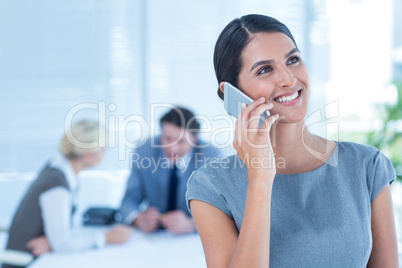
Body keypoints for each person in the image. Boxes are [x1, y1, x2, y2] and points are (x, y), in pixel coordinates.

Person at [186, 14, 399, 267]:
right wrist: (260, 178)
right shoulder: (212, 186)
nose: (288, 79)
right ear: (232, 93)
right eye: (265, 69)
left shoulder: (366, 166)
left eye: (293, 60)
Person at [3, 120, 133, 268]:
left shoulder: (57, 167)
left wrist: (52, 241)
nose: (104, 155)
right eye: (104, 150)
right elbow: (62, 243)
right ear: (88, 155)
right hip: (27, 262)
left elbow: (58, 233)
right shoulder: (57, 184)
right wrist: (107, 237)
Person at [119, 106, 222, 234]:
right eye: (167, 138)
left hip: (193, 240)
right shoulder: (144, 150)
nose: (172, 148)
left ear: (195, 139)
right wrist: (136, 218)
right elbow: (129, 200)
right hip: (153, 236)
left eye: (181, 141)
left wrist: (192, 224)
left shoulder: (212, 157)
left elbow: (221, 211)